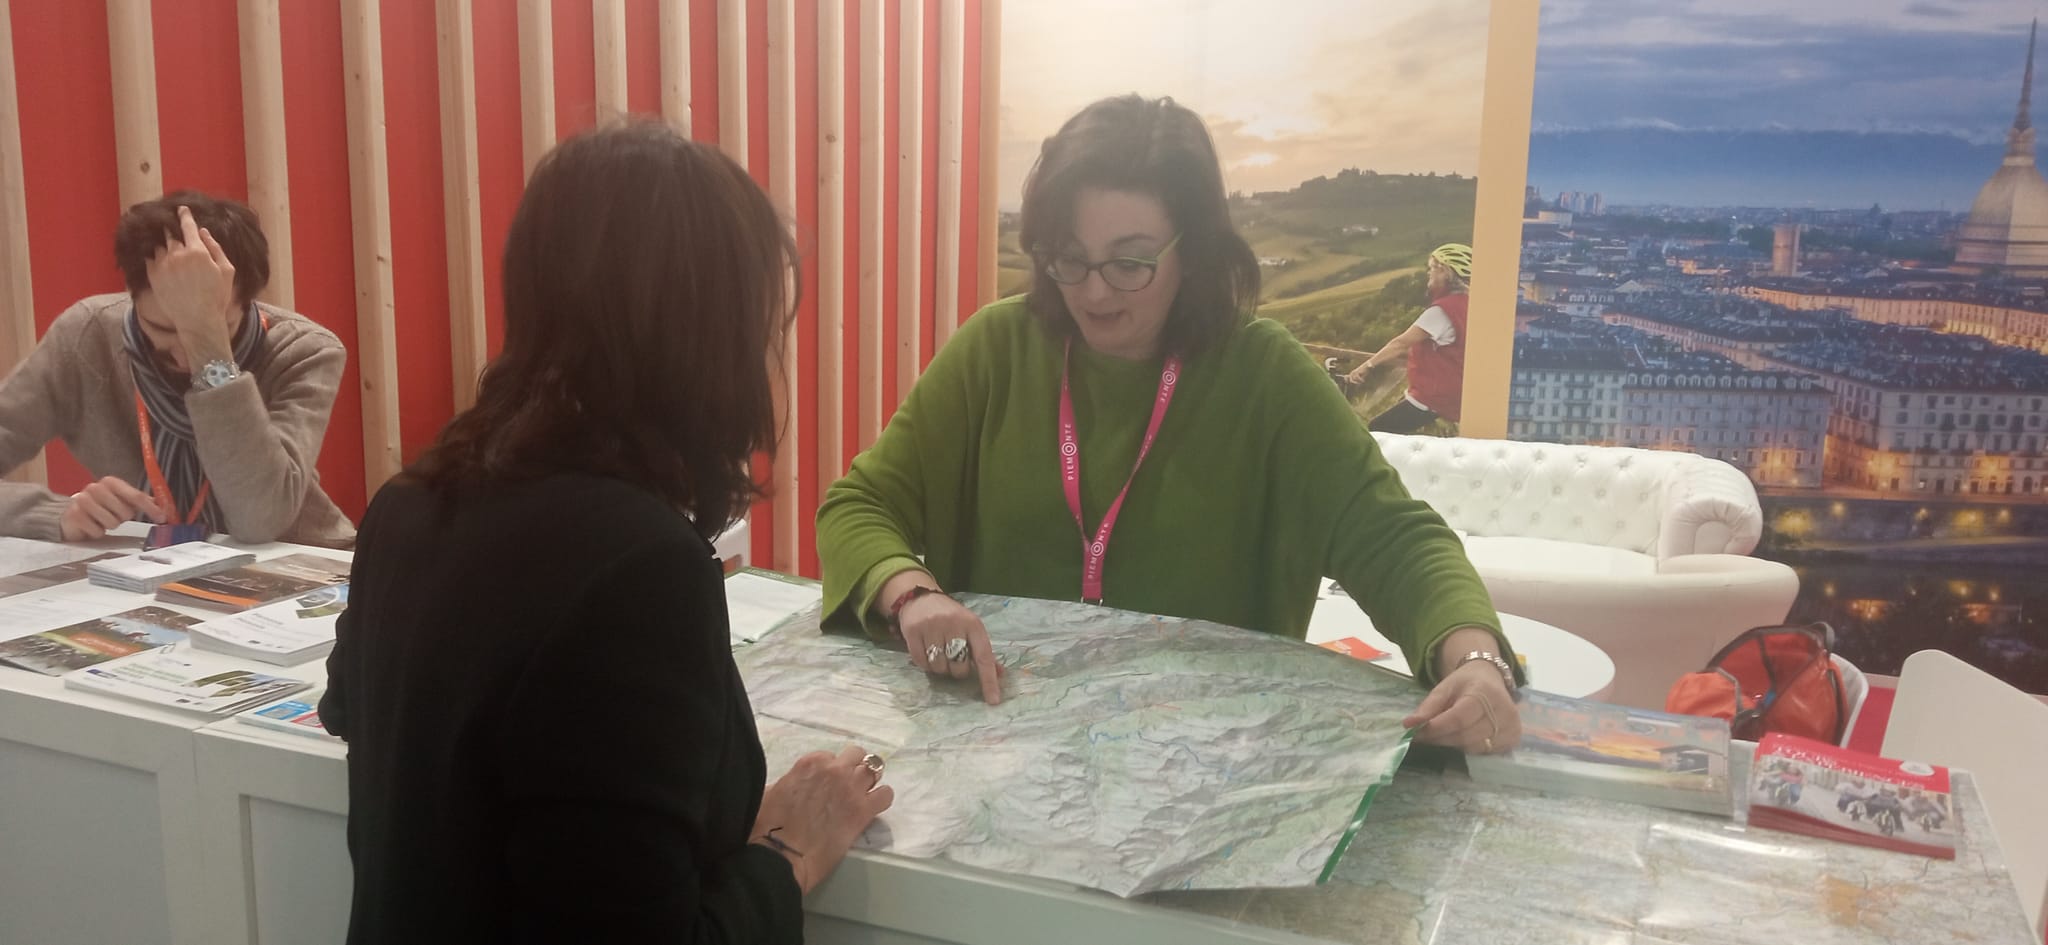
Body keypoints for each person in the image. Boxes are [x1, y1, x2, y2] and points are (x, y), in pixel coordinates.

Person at [319, 123, 892, 944]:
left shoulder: (409, 502)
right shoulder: (638, 567)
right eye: (764, 330)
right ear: (708, 341)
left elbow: (352, 705)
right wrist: (787, 853)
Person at [816, 95, 1521, 755]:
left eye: (1130, 262)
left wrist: (1475, 658)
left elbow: (1395, 541)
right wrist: (911, 593)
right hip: (998, 743)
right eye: (1069, 258)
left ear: (1195, 253)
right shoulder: (996, 349)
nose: (1094, 290)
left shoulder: (1264, 375)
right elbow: (860, 505)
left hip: (1203, 761)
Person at [0, 191, 354, 547]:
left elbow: (259, 519)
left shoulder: (303, 350)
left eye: (220, 326)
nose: (186, 358)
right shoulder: (87, 337)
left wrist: (211, 352)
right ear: (131, 297)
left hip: (301, 559)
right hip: (146, 563)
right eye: (164, 329)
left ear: (248, 303)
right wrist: (53, 513)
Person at [1345, 243, 1472, 435]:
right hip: (1454, 395)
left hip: (1432, 397)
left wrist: (1366, 366)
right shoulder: (1468, 304)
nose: (1429, 273)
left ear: (1445, 272)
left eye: (1432, 268)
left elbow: (1400, 343)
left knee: (1377, 432)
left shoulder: (1442, 311)